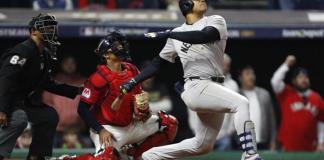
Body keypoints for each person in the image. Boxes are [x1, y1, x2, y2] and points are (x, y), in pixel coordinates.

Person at [120, 0, 263, 159]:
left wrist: (169, 33)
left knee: (202, 146)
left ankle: (150, 156)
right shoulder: (176, 33)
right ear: (186, 5)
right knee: (241, 103)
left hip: (215, 87)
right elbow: (157, 64)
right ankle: (250, 155)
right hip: (197, 86)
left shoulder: (215, 20)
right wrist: (133, 81)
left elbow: (204, 35)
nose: (202, 0)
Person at [75, 31, 178, 160]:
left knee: (169, 124)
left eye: (121, 45)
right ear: (106, 54)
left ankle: (133, 153)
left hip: (131, 124)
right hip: (108, 128)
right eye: (116, 47)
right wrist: (100, 129)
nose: (121, 48)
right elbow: (82, 108)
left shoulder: (132, 69)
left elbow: (137, 100)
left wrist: (144, 111)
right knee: (105, 158)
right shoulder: (98, 77)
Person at [0, 13, 80, 160]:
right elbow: (6, 79)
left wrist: (77, 90)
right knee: (19, 119)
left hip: (21, 101)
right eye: (47, 28)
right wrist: (2, 109)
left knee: (48, 116)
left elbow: (47, 84)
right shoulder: (23, 50)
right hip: (5, 98)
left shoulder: (44, 55)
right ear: (33, 31)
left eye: (52, 28)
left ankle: (36, 156)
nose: (51, 31)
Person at [271, 55, 324, 151]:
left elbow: (321, 122)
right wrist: (286, 64)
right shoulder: (286, 93)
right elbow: (275, 81)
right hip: (287, 148)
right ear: (294, 81)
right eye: (300, 77)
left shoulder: (317, 98)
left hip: (310, 148)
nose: (304, 80)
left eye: (306, 77)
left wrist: (321, 142)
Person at [187, 53, 238, 151]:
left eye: (228, 65)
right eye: (223, 64)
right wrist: (195, 131)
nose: (225, 67)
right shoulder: (201, 81)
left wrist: (229, 132)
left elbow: (235, 111)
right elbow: (192, 108)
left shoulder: (233, 85)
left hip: (223, 137)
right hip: (202, 136)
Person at [239, 65, 276, 150]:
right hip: (241, 145)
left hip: (263, 144)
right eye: (247, 74)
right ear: (240, 78)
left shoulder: (264, 94)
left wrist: (273, 142)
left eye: (253, 74)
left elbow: (272, 121)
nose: (251, 77)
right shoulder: (236, 95)